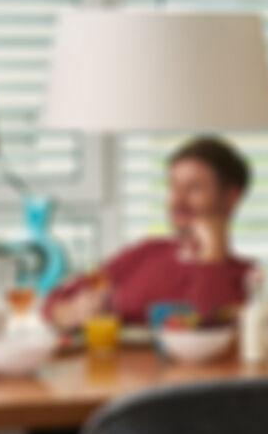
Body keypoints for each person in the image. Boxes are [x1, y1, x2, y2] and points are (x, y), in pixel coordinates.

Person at [44, 135, 257, 328]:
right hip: (117, 369)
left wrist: (212, 254)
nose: (177, 201)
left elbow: (206, 326)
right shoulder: (146, 253)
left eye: (194, 188)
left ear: (231, 198)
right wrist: (70, 312)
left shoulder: (244, 276)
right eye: (173, 187)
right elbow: (56, 299)